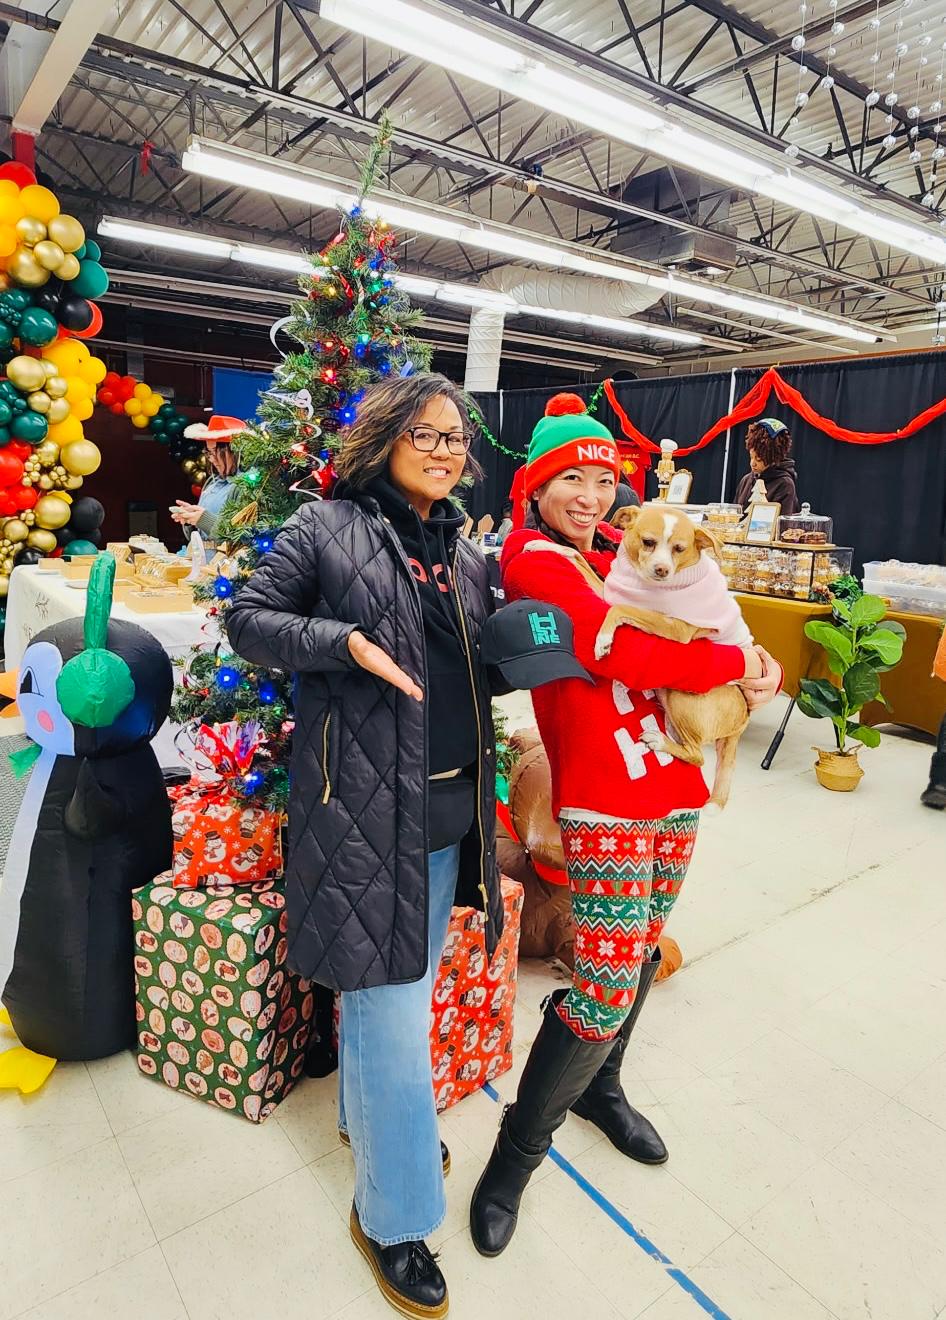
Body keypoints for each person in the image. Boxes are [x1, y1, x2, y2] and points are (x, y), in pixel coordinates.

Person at [470, 393, 780, 1258]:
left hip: (674, 776)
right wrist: (736, 659)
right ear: (536, 487)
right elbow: (622, 648)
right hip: (604, 791)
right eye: (571, 477)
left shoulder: (621, 547)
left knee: (640, 949)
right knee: (602, 978)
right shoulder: (534, 558)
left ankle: (601, 1090)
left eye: (604, 479)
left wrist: (757, 660)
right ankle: (514, 1160)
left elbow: (703, 610)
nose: (591, 495)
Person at [226, 373, 504, 1320]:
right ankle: (394, 1215)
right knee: (391, 1008)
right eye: (425, 433)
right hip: (364, 814)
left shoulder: (466, 553)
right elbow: (248, 621)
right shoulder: (327, 526)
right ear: (384, 438)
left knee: (396, 990)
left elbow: (476, 666)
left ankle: (372, 1127)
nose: (444, 449)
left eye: (455, 436)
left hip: (450, 811)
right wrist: (343, 643)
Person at [170, 415, 245, 545]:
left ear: (235, 451)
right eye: (209, 452)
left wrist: (203, 520)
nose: (212, 459)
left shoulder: (247, 484)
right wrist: (190, 520)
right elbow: (201, 535)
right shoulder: (212, 482)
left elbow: (243, 537)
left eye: (217, 452)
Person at [734, 418, 800, 515]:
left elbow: (783, 522)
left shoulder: (785, 485)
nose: (752, 463)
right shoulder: (746, 480)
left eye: (758, 459)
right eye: (751, 457)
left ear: (772, 457)